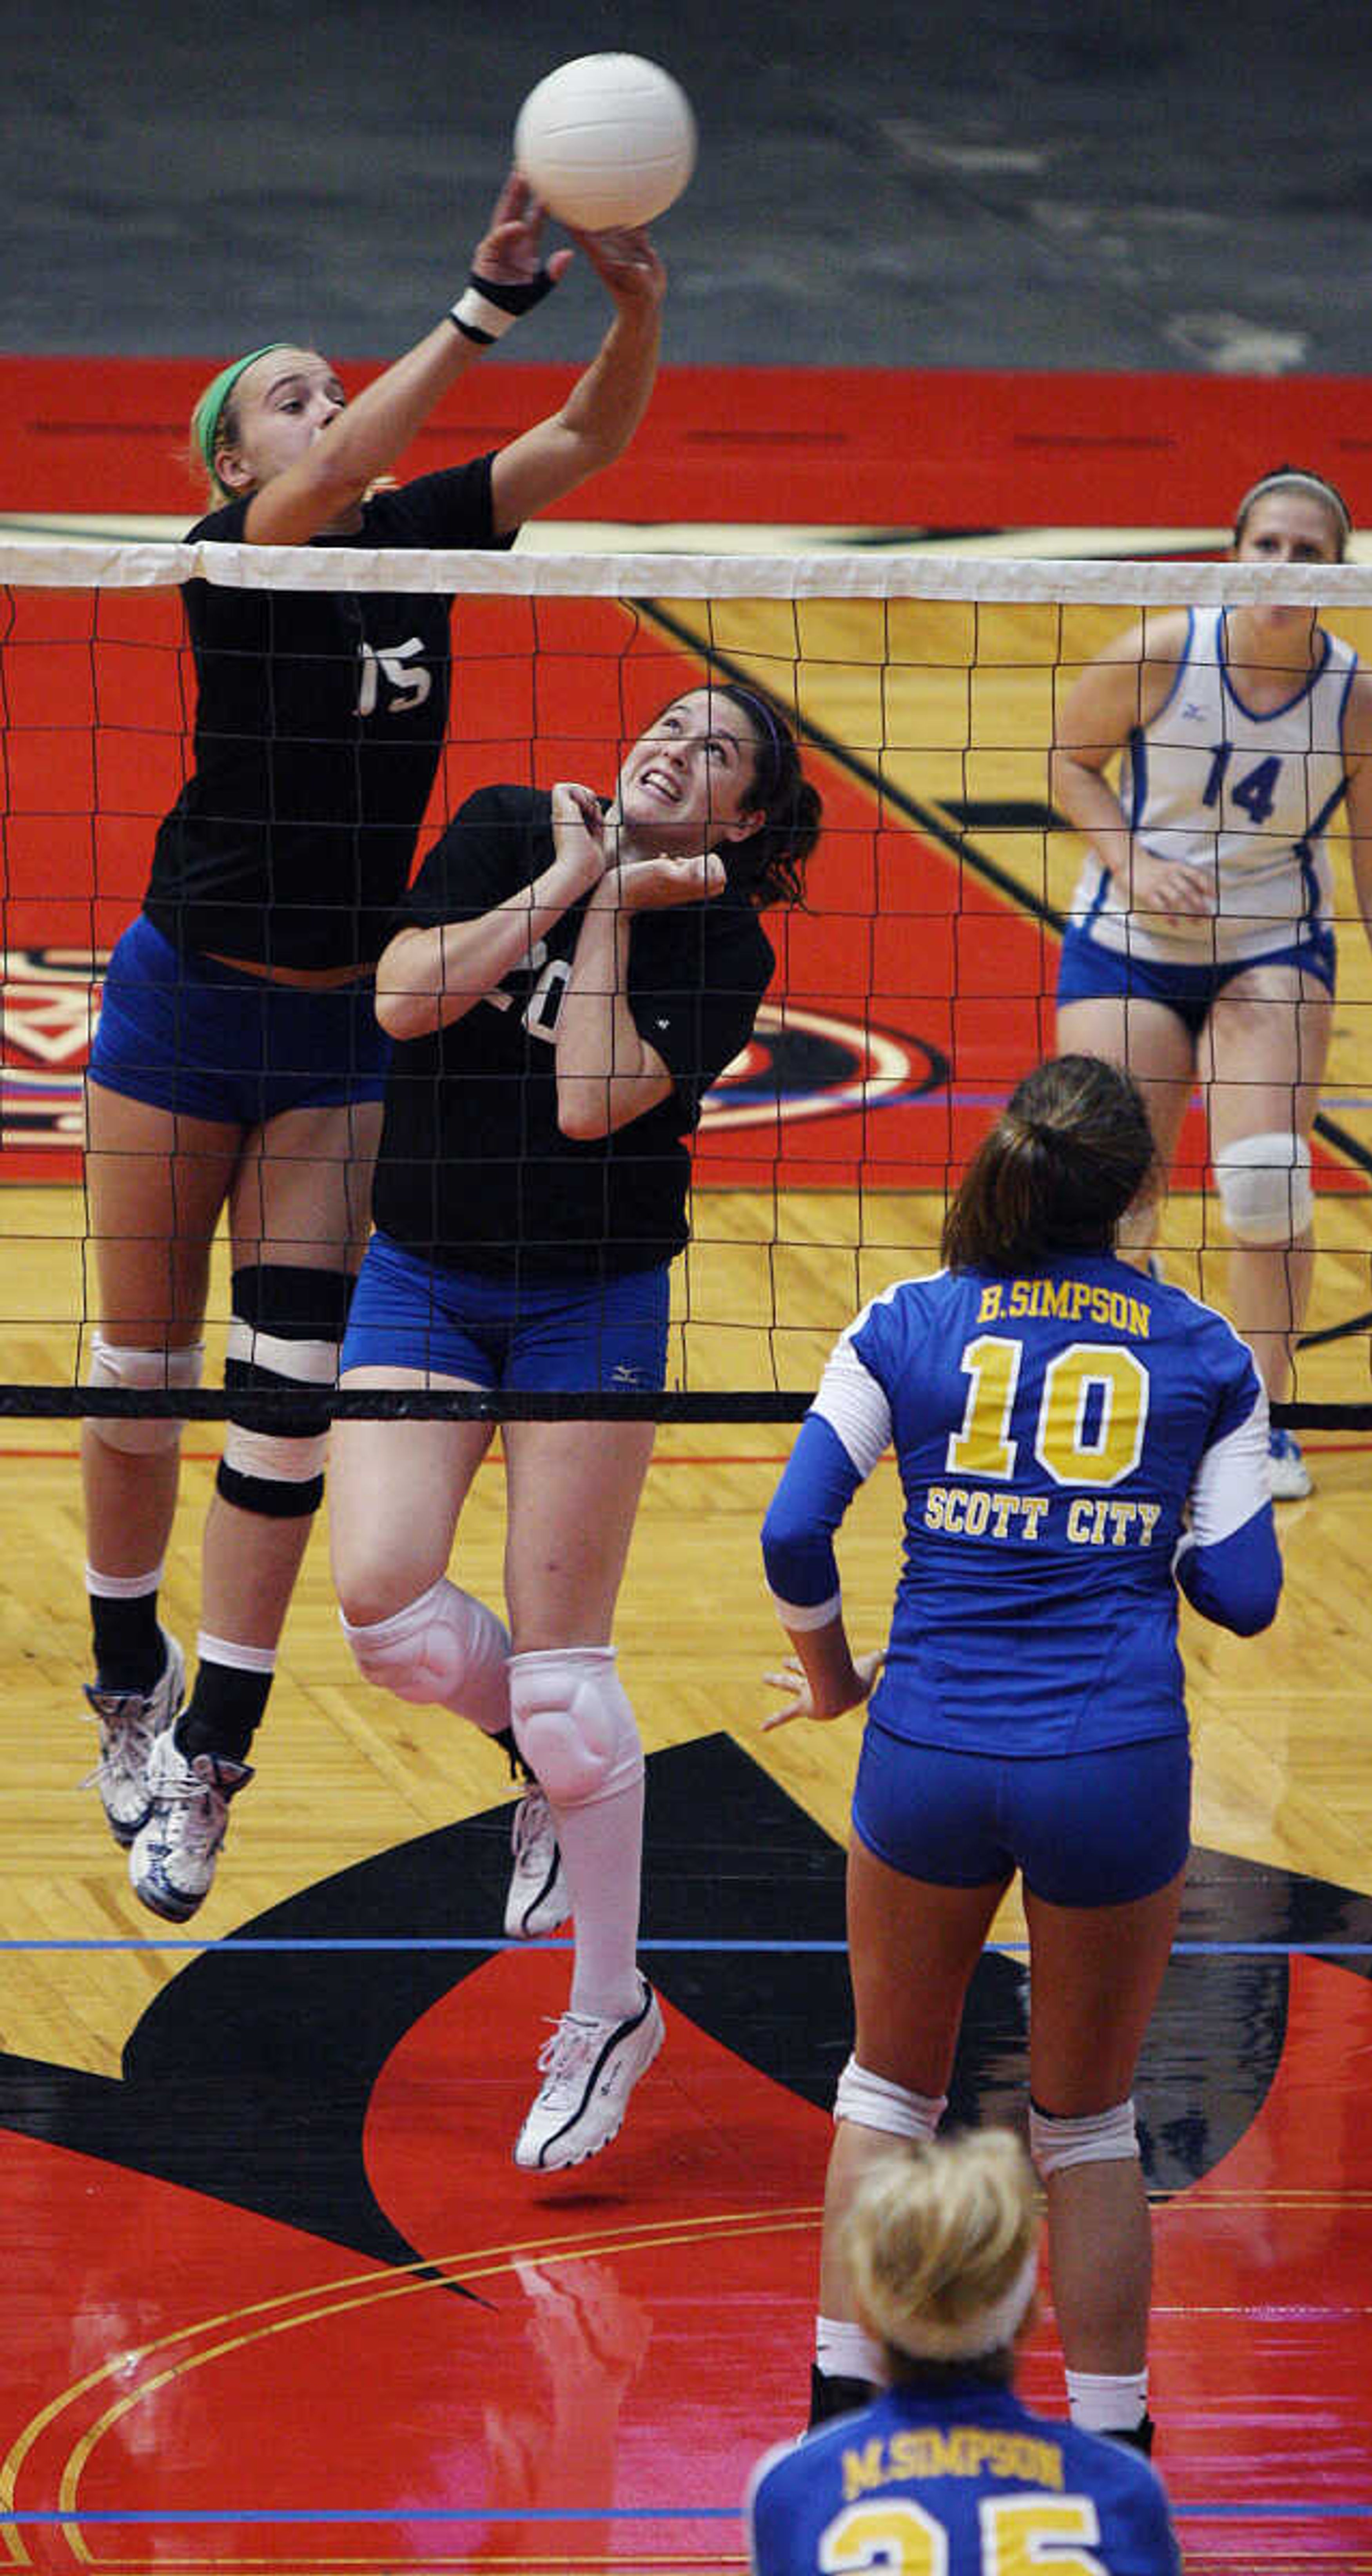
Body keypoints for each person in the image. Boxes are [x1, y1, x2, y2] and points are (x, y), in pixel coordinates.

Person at [77, 169, 666, 1923]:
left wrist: (631, 307)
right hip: (189, 997)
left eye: (334, 387)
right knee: (136, 1368)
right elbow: (337, 479)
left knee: (287, 1395)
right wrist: (482, 302)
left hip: (345, 1023)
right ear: (233, 466)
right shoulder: (233, 555)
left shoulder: (413, 536)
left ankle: (213, 1761)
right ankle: (128, 1680)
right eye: (290, 397)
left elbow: (580, 444)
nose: (325, 408)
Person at [327, 683, 822, 2170]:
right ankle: (542, 1777)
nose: (679, 741)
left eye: (719, 747)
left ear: (740, 817)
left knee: (566, 1675)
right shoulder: (500, 826)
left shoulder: (727, 942)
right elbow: (405, 1000)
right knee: (384, 1613)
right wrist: (562, 874)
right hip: (420, 1272)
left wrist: (608, 911)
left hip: (587, 1302)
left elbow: (593, 1100)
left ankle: (609, 2002)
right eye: (673, 717)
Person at [759, 1053, 1281, 2446]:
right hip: (1111, 1761)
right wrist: (1144, 1520)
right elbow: (1247, 1594)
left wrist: (830, 1682)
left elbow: (789, 1533)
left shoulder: (906, 1320)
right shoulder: (1207, 1350)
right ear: (1138, 1187)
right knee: (1089, 2126)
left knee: (887, 2086)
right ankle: (1115, 2450)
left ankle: (837, 2424)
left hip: (928, 1747)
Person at [1050, 464, 1372, 1500]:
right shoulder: (1162, 652)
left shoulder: (1360, 703)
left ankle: (1260, 1424)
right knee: (1117, 1193)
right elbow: (1068, 764)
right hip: (1128, 943)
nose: (1284, 566)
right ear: (1235, 554)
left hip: (1273, 948)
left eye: (1309, 552)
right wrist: (1134, 861)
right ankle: (1122, 1389)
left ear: (1342, 574)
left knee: (1268, 1177)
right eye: (1267, 546)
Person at [746, 2128, 1182, 2575]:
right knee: (1091, 2130)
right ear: (1030, 2313)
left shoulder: (792, 2488)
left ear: (866, 2314)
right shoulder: (1126, 2487)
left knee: (886, 2097)